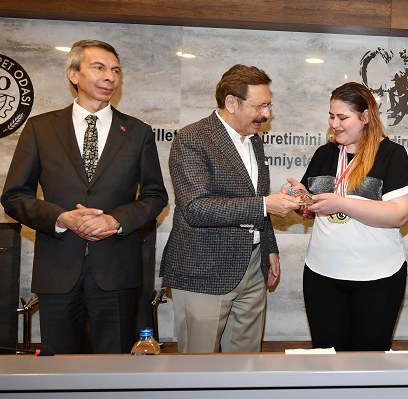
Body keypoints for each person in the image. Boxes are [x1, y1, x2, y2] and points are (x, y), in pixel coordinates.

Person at [1, 39, 168, 354]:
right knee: (60, 367)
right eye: (99, 68)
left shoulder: (137, 132)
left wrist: (115, 220)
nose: (110, 77)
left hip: (116, 271)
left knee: (113, 367)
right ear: (74, 74)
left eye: (115, 70)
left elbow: (155, 196)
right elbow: (14, 196)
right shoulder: (40, 128)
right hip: (58, 269)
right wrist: (61, 218)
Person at [160, 64, 301, 353]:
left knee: (246, 363)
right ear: (231, 102)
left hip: (253, 267)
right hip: (204, 270)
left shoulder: (254, 142)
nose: (266, 114)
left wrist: (269, 248)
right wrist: (266, 204)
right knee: (199, 365)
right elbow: (196, 207)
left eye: (269, 106)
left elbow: (256, 199)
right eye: (259, 106)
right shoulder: (192, 138)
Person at [287, 82, 408, 351]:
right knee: (327, 357)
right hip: (322, 275)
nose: (334, 124)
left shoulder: (392, 154)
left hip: (378, 278)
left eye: (342, 117)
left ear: (365, 117)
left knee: (369, 359)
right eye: (331, 116)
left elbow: (399, 214)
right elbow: (313, 209)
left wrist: (342, 204)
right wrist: (300, 199)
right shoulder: (324, 154)